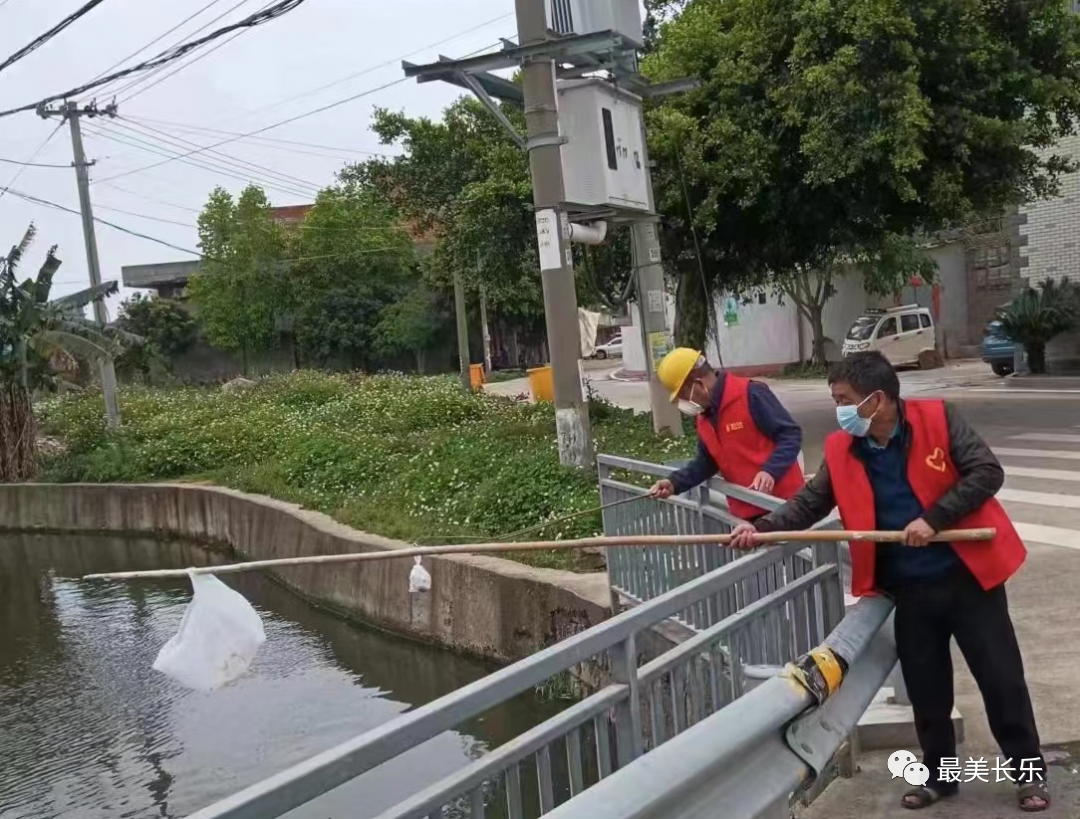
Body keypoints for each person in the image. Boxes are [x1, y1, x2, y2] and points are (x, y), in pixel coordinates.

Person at [730, 351, 1048, 813]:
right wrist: (761, 528)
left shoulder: (939, 419)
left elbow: (987, 472)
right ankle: (940, 778)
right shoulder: (842, 449)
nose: (838, 409)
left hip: (968, 580)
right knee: (927, 691)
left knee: (1001, 681)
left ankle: (1028, 775)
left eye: (844, 399)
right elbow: (811, 504)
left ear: (877, 400)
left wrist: (934, 519)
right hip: (909, 588)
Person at [649, 348, 804, 521]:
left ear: (697, 381)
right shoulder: (704, 418)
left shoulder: (750, 394)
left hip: (783, 506)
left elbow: (790, 435)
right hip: (746, 513)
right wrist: (674, 483)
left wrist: (770, 471)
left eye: (683, 394)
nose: (684, 402)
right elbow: (706, 463)